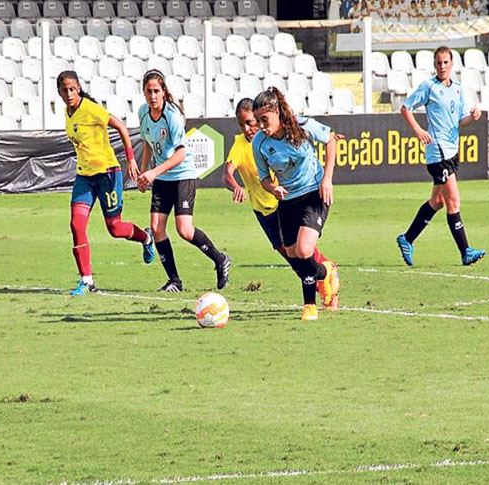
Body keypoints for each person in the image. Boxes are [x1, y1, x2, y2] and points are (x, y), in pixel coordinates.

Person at [57, 70, 156, 296]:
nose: (70, 93)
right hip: (84, 177)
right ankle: (87, 281)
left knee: (114, 227)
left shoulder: (91, 110)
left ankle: (146, 237)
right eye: (65, 90)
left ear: (79, 88)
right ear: (60, 93)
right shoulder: (67, 112)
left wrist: (130, 159)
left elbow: (121, 126)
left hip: (108, 173)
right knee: (76, 225)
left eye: (73, 88)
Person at [137, 69, 230, 292]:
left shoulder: (172, 116)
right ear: (143, 93)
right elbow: (149, 142)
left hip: (183, 176)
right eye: (148, 91)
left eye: (156, 91)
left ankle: (220, 259)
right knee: (156, 228)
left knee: (184, 230)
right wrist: (143, 172)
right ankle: (175, 281)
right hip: (161, 177)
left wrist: (153, 173)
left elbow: (180, 155)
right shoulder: (143, 113)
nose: (152, 96)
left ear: (163, 91)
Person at [251, 87, 340, 321]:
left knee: (303, 250)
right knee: (291, 253)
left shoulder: (301, 125)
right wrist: (273, 188)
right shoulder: (259, 143)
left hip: (314, 192)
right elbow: (263, 178)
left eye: (264, 120)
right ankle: (326, 271)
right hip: (287, 200)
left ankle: (309, 305)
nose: (261, 126)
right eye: (257, 120)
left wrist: (328, 179)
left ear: (276, 112)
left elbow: (330, 139)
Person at [397, 46, 485, 267]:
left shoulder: (458, 89)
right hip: (438, 153)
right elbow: (405, 108)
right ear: (435, 65)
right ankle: (466, 251)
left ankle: (407, 239)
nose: (442, 66)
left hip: (452, 152)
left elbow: (460, 121)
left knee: (437, 201)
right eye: (438, 63)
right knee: (453, 201)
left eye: (446, 62)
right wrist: (418, 131)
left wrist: (472, 117)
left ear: (452, 64)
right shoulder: (429, 87)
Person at [222, 97, 330, 266]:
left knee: (304, 250)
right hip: (262, 208)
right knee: (289, 256)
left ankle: (325, 277)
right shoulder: (241, 145)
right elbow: (227, 174)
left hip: (284, 201)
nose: (247, 129)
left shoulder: (279, 134)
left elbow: (326, 139)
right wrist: (236, 187)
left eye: (250, 122)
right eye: (241, 124)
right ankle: (319, 278)